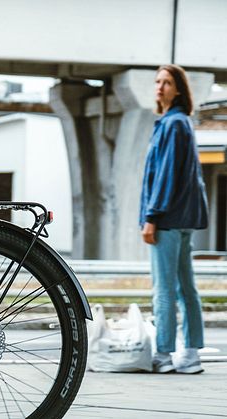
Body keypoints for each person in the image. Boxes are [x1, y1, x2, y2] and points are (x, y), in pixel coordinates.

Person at [140, 64, 207, 374]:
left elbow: (165, 177)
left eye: (167, 82)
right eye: (157, 81)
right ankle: (191, 353)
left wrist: (151, 217)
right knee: (184, 287)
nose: (159, 87)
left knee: (164, 289)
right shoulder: (179, 123)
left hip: (167, 220)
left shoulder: (173, 124)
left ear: (178, 89)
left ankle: (164, 355)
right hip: (181, 219)